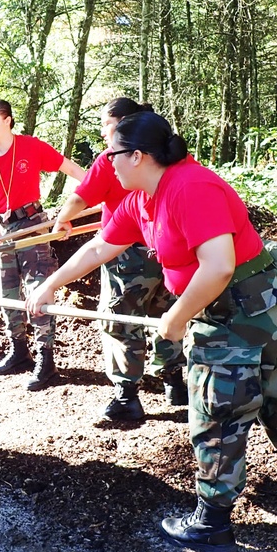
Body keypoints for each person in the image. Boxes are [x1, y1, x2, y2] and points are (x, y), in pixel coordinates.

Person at [26, 111, 277, 552]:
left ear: (137, 156)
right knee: (268, 383)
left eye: (111, 154)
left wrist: (176, 317)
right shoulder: (141, 198)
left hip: (245, 300)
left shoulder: (190, 187)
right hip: (237, 299)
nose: (105, 163)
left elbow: (219, 265)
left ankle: (212, 520)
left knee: (216, 402)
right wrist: (50, 284)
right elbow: (99, 247)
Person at [52, 98, 186, 421]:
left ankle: (127, 394)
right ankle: (174, 382)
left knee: (120, 319)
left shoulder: (112, 158)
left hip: (124, 254)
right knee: (163, 311)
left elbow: (80, 197)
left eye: (106, 124)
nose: (102, 133)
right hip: (162, 249)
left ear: (126, 124)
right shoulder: (160, 153)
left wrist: (62, 220)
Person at [0, 99, 86, 390]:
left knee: (39, 288)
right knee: (5, 289)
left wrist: (90, 196)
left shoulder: (31, 147)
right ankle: (19, 350)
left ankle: (46, 360)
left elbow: (71, 169)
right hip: (2, 232)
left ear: (7, 120)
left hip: (33, 227)